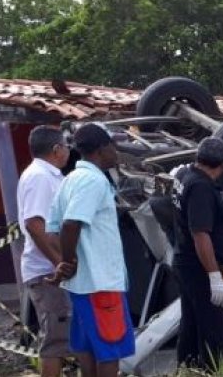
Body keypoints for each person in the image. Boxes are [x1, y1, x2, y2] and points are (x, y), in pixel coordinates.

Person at [47, 123, 134, 377]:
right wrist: (68, 260)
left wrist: (66, 263)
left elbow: (52, 228)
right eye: (113, 146)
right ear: (101, 149)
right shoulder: (92, 180)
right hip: (101, 284)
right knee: (110, 350)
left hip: (83, 285)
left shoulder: (70, 179)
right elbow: (71, 222)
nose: (116, 152)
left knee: (88, 350)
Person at [172, 137, 223, 370]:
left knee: (191, 323)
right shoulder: (201, 187)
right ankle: (208, 371)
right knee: (211, 330)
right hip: (200, 267)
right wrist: (214, 276)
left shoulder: (183, 175)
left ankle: (186, 368)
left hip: (185, 261)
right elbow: (201, 235)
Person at [17, 125, 71, 376]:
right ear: (56, 149)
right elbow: (35, 225)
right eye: (66, 145)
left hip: (50, 269)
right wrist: (59, 263)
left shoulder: (49, 175)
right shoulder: (40, 177)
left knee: (63, 338)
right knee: (55, 342)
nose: (68, 151)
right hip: (47, 272)